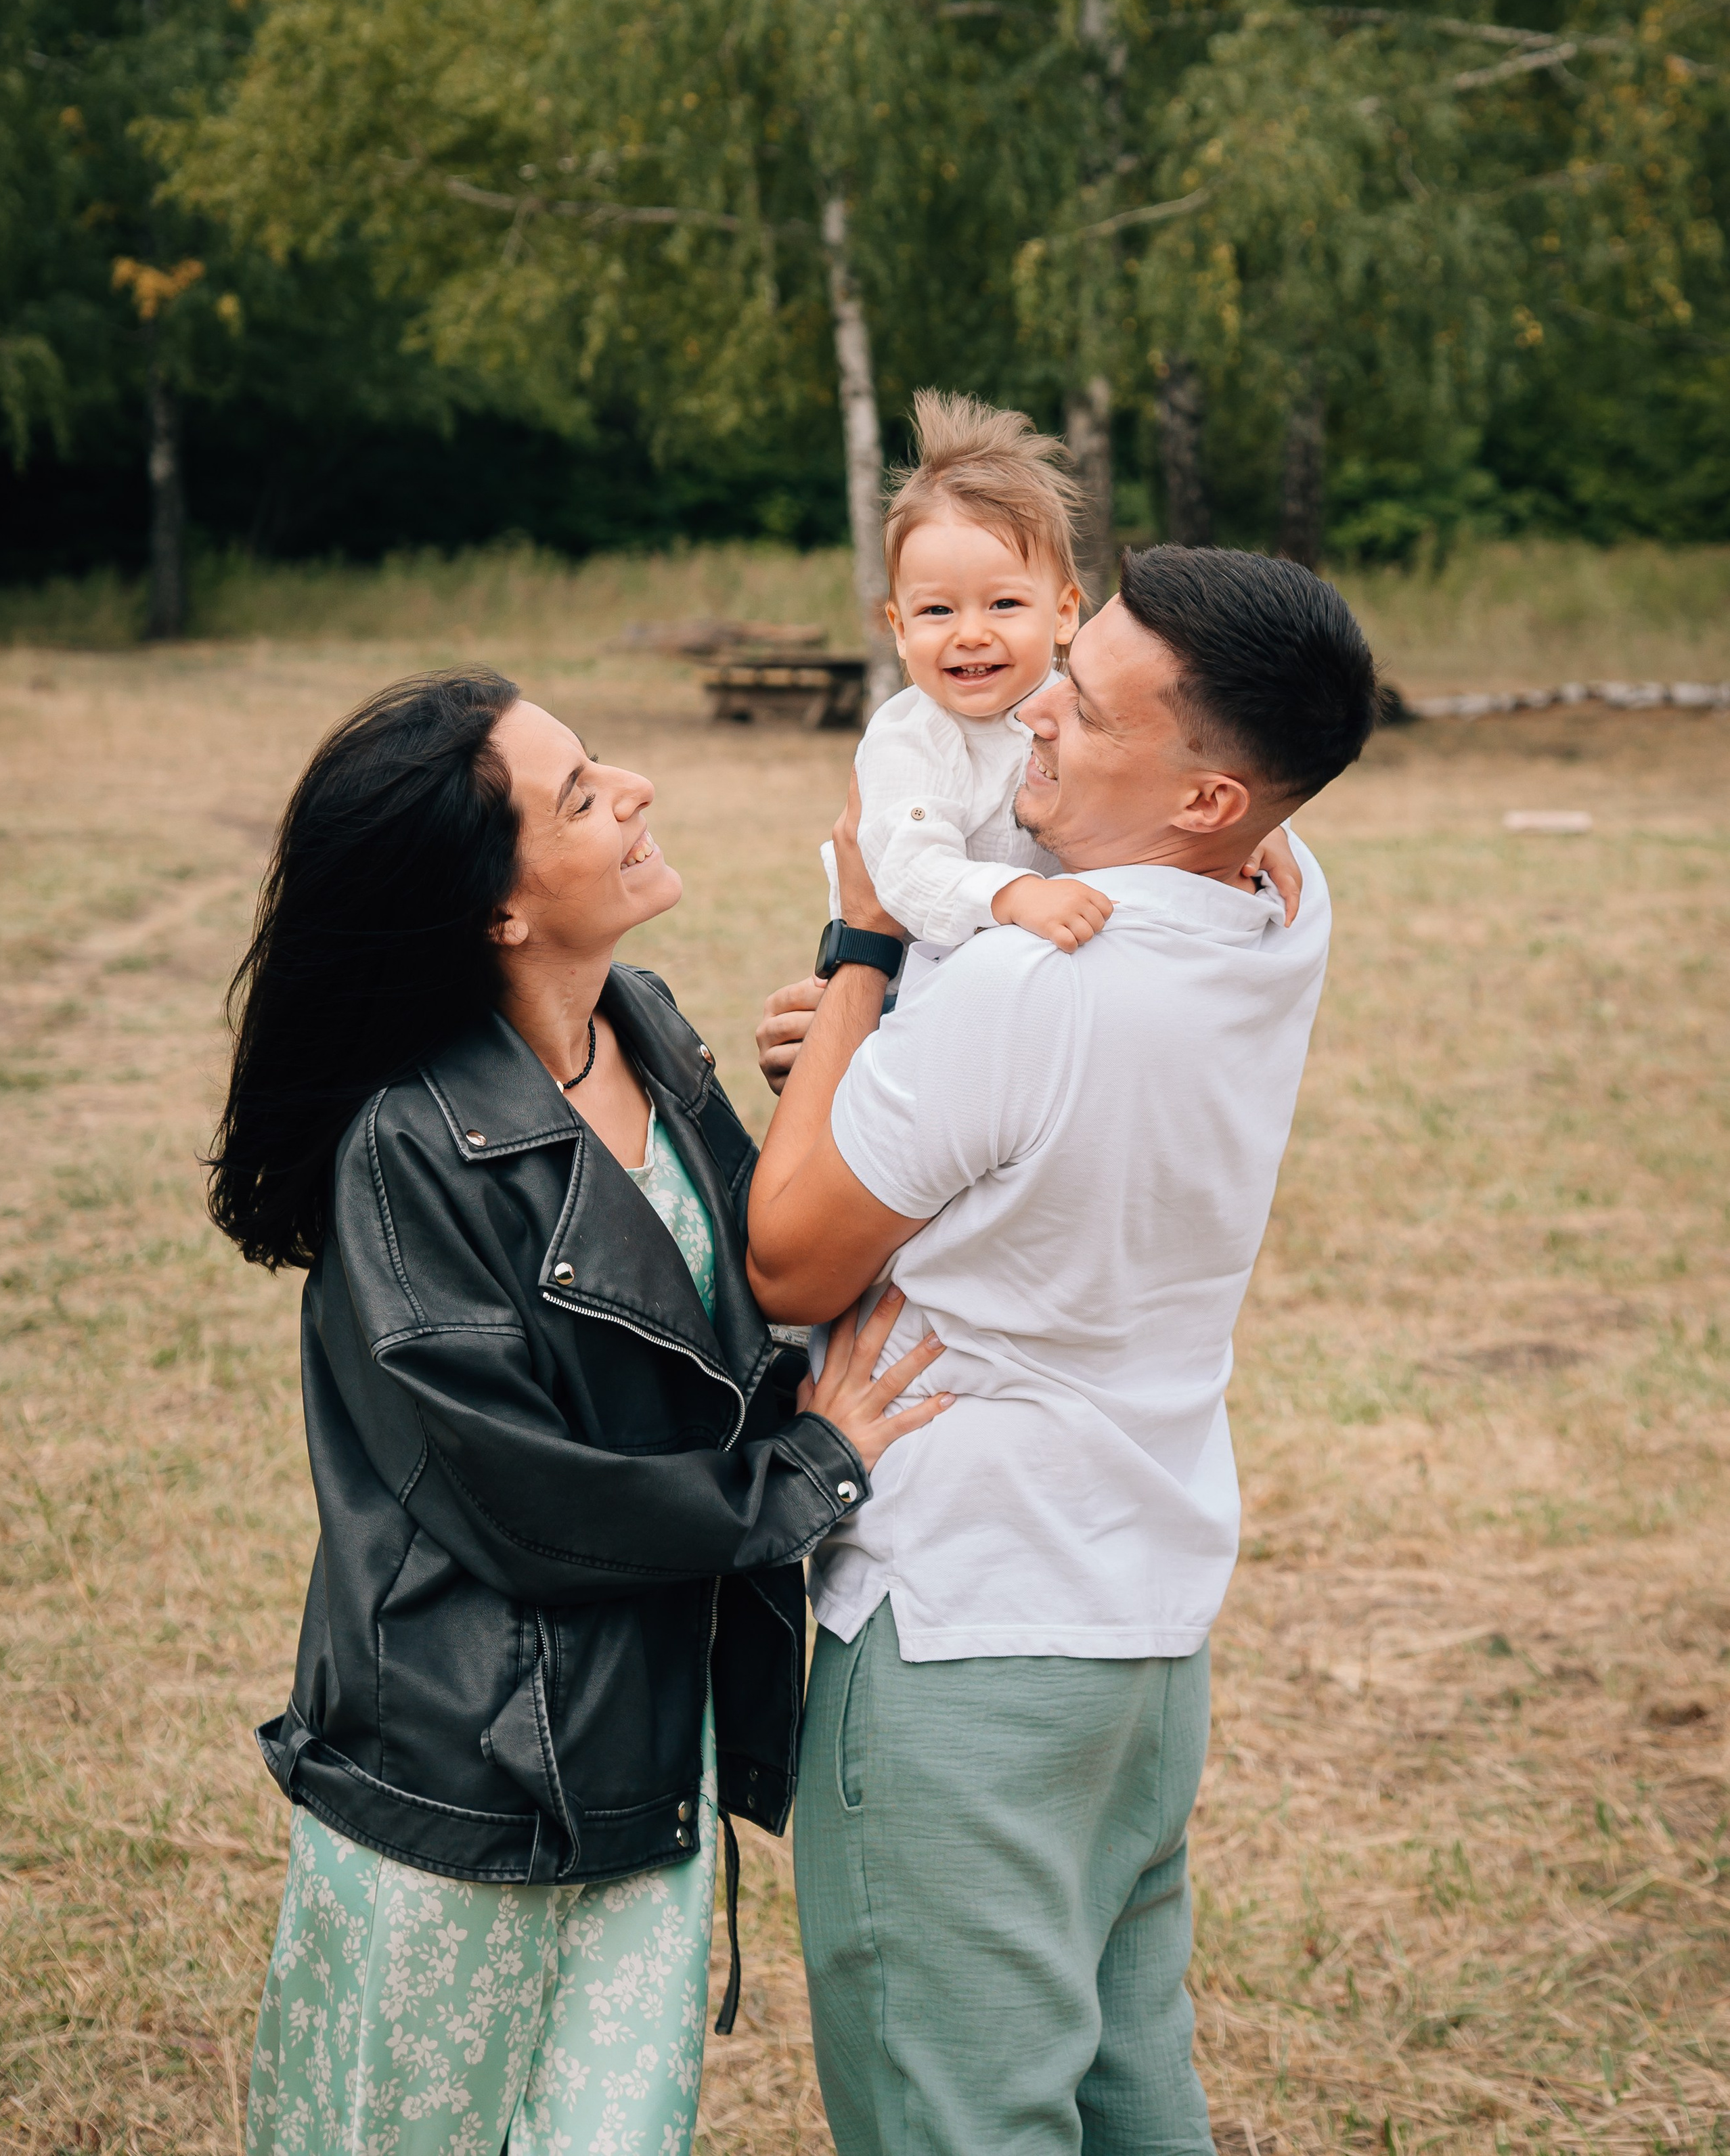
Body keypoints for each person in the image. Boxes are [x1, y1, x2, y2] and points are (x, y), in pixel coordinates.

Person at [206, 668, 948, 2156]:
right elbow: (518, 1499)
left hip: (643, 1757)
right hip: (472, 1774)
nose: (635, 794)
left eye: (602, 764)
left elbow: (752, 1274)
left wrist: (837, 1032)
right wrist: (810, 1472)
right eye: (580, 794)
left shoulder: (645, 1027)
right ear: (495, 908)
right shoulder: (399, 1152)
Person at [748, 546, 1381, 2156]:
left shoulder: (1032, 985)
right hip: (1139, 1618)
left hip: (961, 1629)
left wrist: (861, 949)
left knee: (956, 2114)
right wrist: (866, 1036)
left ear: (1205, 795)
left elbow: (787, 1254)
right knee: (1127, 2092)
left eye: (1084, 703)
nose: (1028, 704)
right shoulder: (1282, 904)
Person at [822, 391, 1297, 979]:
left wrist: (1260, 829)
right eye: (937, 611)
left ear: (1065, 611)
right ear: (898, 628)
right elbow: (908, 869)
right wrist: (1016, 895)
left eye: (1004, 603)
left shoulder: (1073, 706)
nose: (971, 633)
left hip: (1045, 963)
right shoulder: (912, 736)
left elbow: (1178, 761)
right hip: (913, 986)